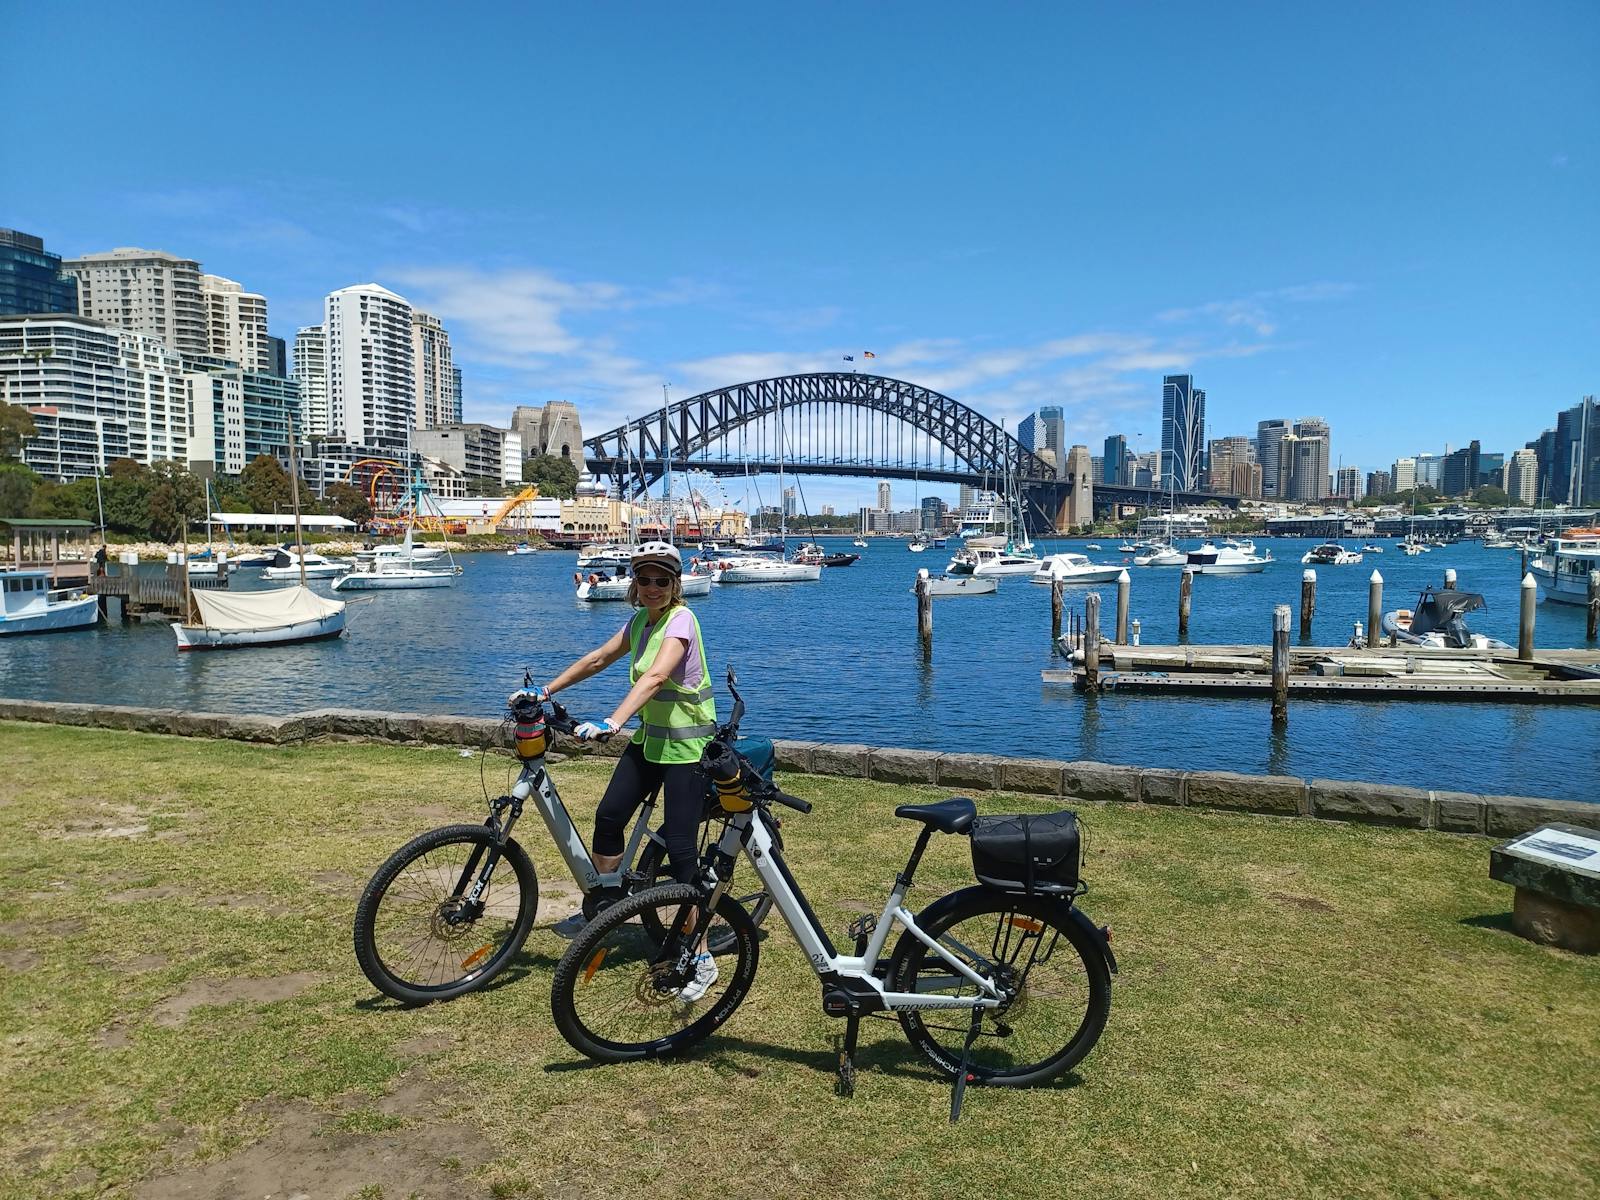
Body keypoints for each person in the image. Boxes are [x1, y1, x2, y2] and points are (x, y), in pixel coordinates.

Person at [512, 540, 720, 999]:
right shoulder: (639, 622)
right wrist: (543, 692)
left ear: (675, 584)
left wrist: (613, 720)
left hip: (689, 751)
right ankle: (605, 906)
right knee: (608, 817)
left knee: (683, 850)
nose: (651, 588)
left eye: (661, 580)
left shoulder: (681, 620)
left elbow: (656, 677)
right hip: (651, 743)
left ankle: (700, 952)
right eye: (643, 579)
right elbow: (598, 659)